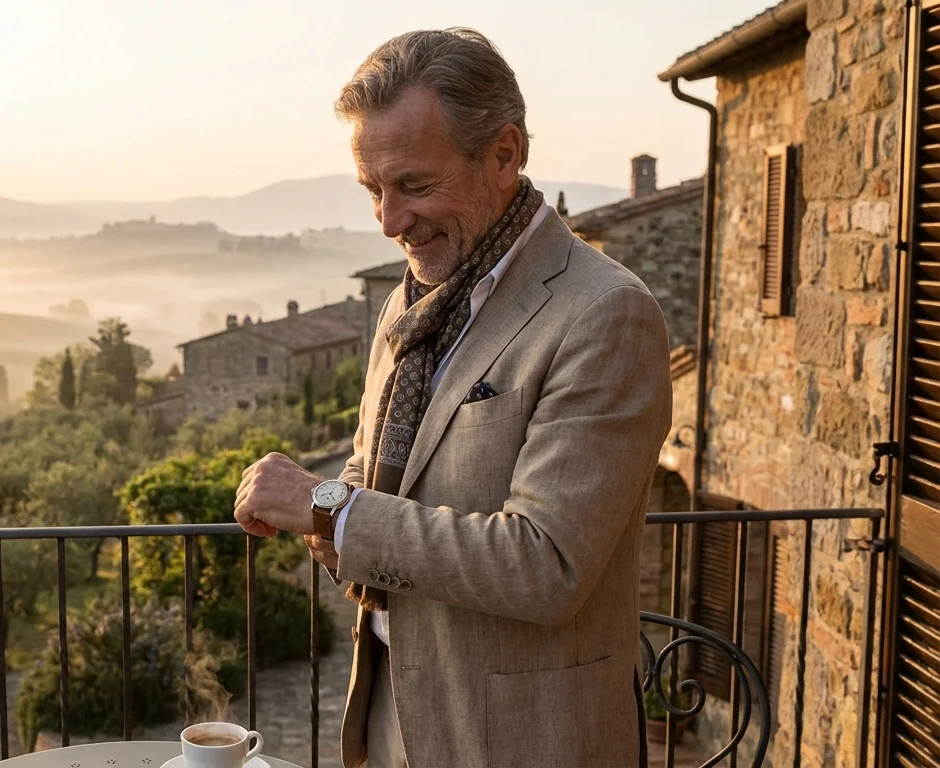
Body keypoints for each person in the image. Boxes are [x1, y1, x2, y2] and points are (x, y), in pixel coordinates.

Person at [233, 28, 672, 768]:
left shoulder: (605, 313)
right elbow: (382, 473)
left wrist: (329, 509)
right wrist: (329, 503)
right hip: (392, 728)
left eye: (414, 185)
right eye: (374, 189)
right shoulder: (410, 305)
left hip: (525, 741)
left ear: (504, 154)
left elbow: (547, 563)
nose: (388, 221)